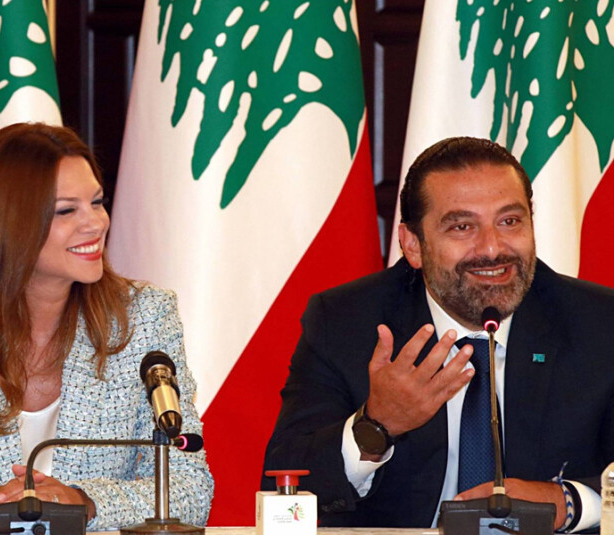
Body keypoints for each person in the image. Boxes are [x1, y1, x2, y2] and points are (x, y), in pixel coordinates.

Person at [0, 123, 213, 531]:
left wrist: (84, 503)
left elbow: (190, 488)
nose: (96, 223)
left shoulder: (144, 317)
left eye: (97, 202)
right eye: (67, 210)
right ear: (5, 223)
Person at [262, 136, 614, 532]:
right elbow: (286, 483)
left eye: (509, 221)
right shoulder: (347, 321)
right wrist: (377, 425)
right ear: (413, 245)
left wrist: (569, 502)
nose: (493, 248)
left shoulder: (599, 324)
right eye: (462, 227)